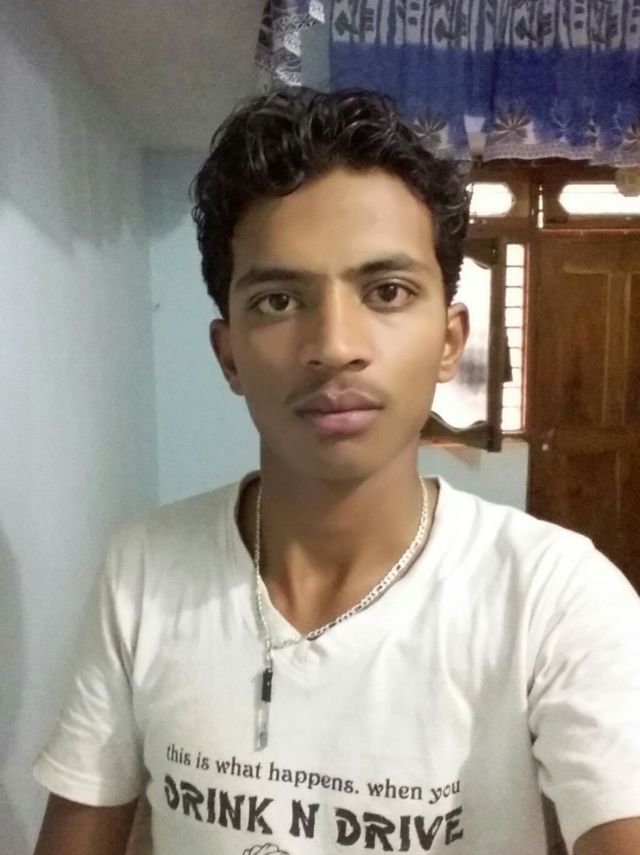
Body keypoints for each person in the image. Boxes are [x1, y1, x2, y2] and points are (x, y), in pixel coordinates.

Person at [32, 88, 640, 855]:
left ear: (450, 341)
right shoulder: (144, 569)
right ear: (228, 356)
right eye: (278, 299)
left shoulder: (555, 597)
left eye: (387, 291)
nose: (334, 346)